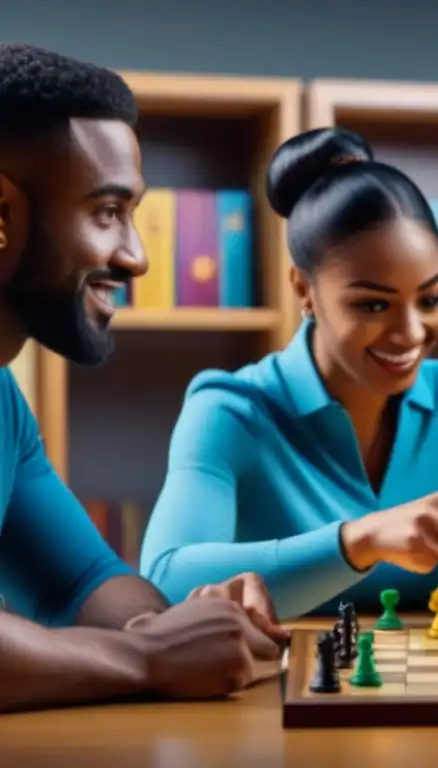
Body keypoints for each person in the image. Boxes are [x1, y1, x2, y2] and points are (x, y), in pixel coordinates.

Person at [138, 127, 438, 619]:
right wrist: (361, 540)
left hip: (431, 689)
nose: (410, 332)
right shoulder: (229, 412)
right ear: (303, 289)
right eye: (373, 304)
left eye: (431, 299)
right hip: (276, 690)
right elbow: (164, 580)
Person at [0, 44, 288, 715]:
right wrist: (146, 657)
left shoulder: (5, 406)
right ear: (2, 215)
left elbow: (81, 580)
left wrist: (174, 626)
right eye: (106, 212)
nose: (138, 257)